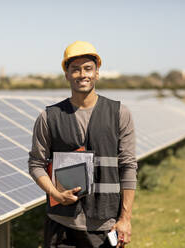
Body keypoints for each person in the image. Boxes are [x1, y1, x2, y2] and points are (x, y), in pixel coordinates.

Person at [28, 41, 137, 248]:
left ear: (97, 73)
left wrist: (126, 219)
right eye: (75, 69)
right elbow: (36, 164)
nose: (82, 74)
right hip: (60, 225)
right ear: (67, 74)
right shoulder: (49, 117)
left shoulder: (119, 113)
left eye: (88, 68)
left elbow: (129, 166)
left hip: (105, 224)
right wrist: (55, 193)